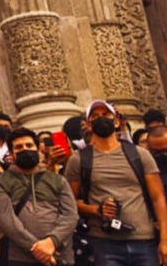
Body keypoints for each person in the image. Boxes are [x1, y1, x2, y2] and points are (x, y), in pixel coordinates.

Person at [65, 100, 167, 265]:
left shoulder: (140, 155)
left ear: (117, 121)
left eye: (106, 115)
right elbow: (70, 202)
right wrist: (96, 210)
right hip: (103, 243)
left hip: (143, 240)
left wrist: (164, 240)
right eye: (95, 116)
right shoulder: (78, 160)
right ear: (88, 125)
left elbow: (158, 199)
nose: (101, 118)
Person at [0, 128, 77, 266]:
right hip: (21, 259)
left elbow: (70, 216)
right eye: (19, 147)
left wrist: (52, 242)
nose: (25, 149)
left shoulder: (58, 180)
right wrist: (39, 249)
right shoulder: (0, 183)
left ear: (38, 149)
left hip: (60, 255)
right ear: (12, 154)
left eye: (29, 145)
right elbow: (7, 222)